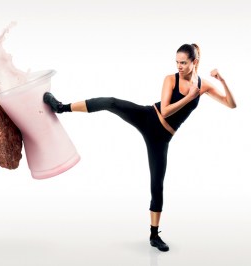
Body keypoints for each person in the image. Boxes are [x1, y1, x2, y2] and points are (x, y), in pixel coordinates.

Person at [43, 44, 236, 252]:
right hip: (148, 118)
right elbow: (165, 111)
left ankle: (154, 236)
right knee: (112, 103)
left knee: (157, 184)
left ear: (194, 62)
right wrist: (189, 97)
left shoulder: (203, 85)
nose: (179, 66)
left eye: (183, 63)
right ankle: (61, 107)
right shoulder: (171, 79)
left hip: (161, 139)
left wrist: (222, 81)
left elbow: (231, 104)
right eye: (177, 62)